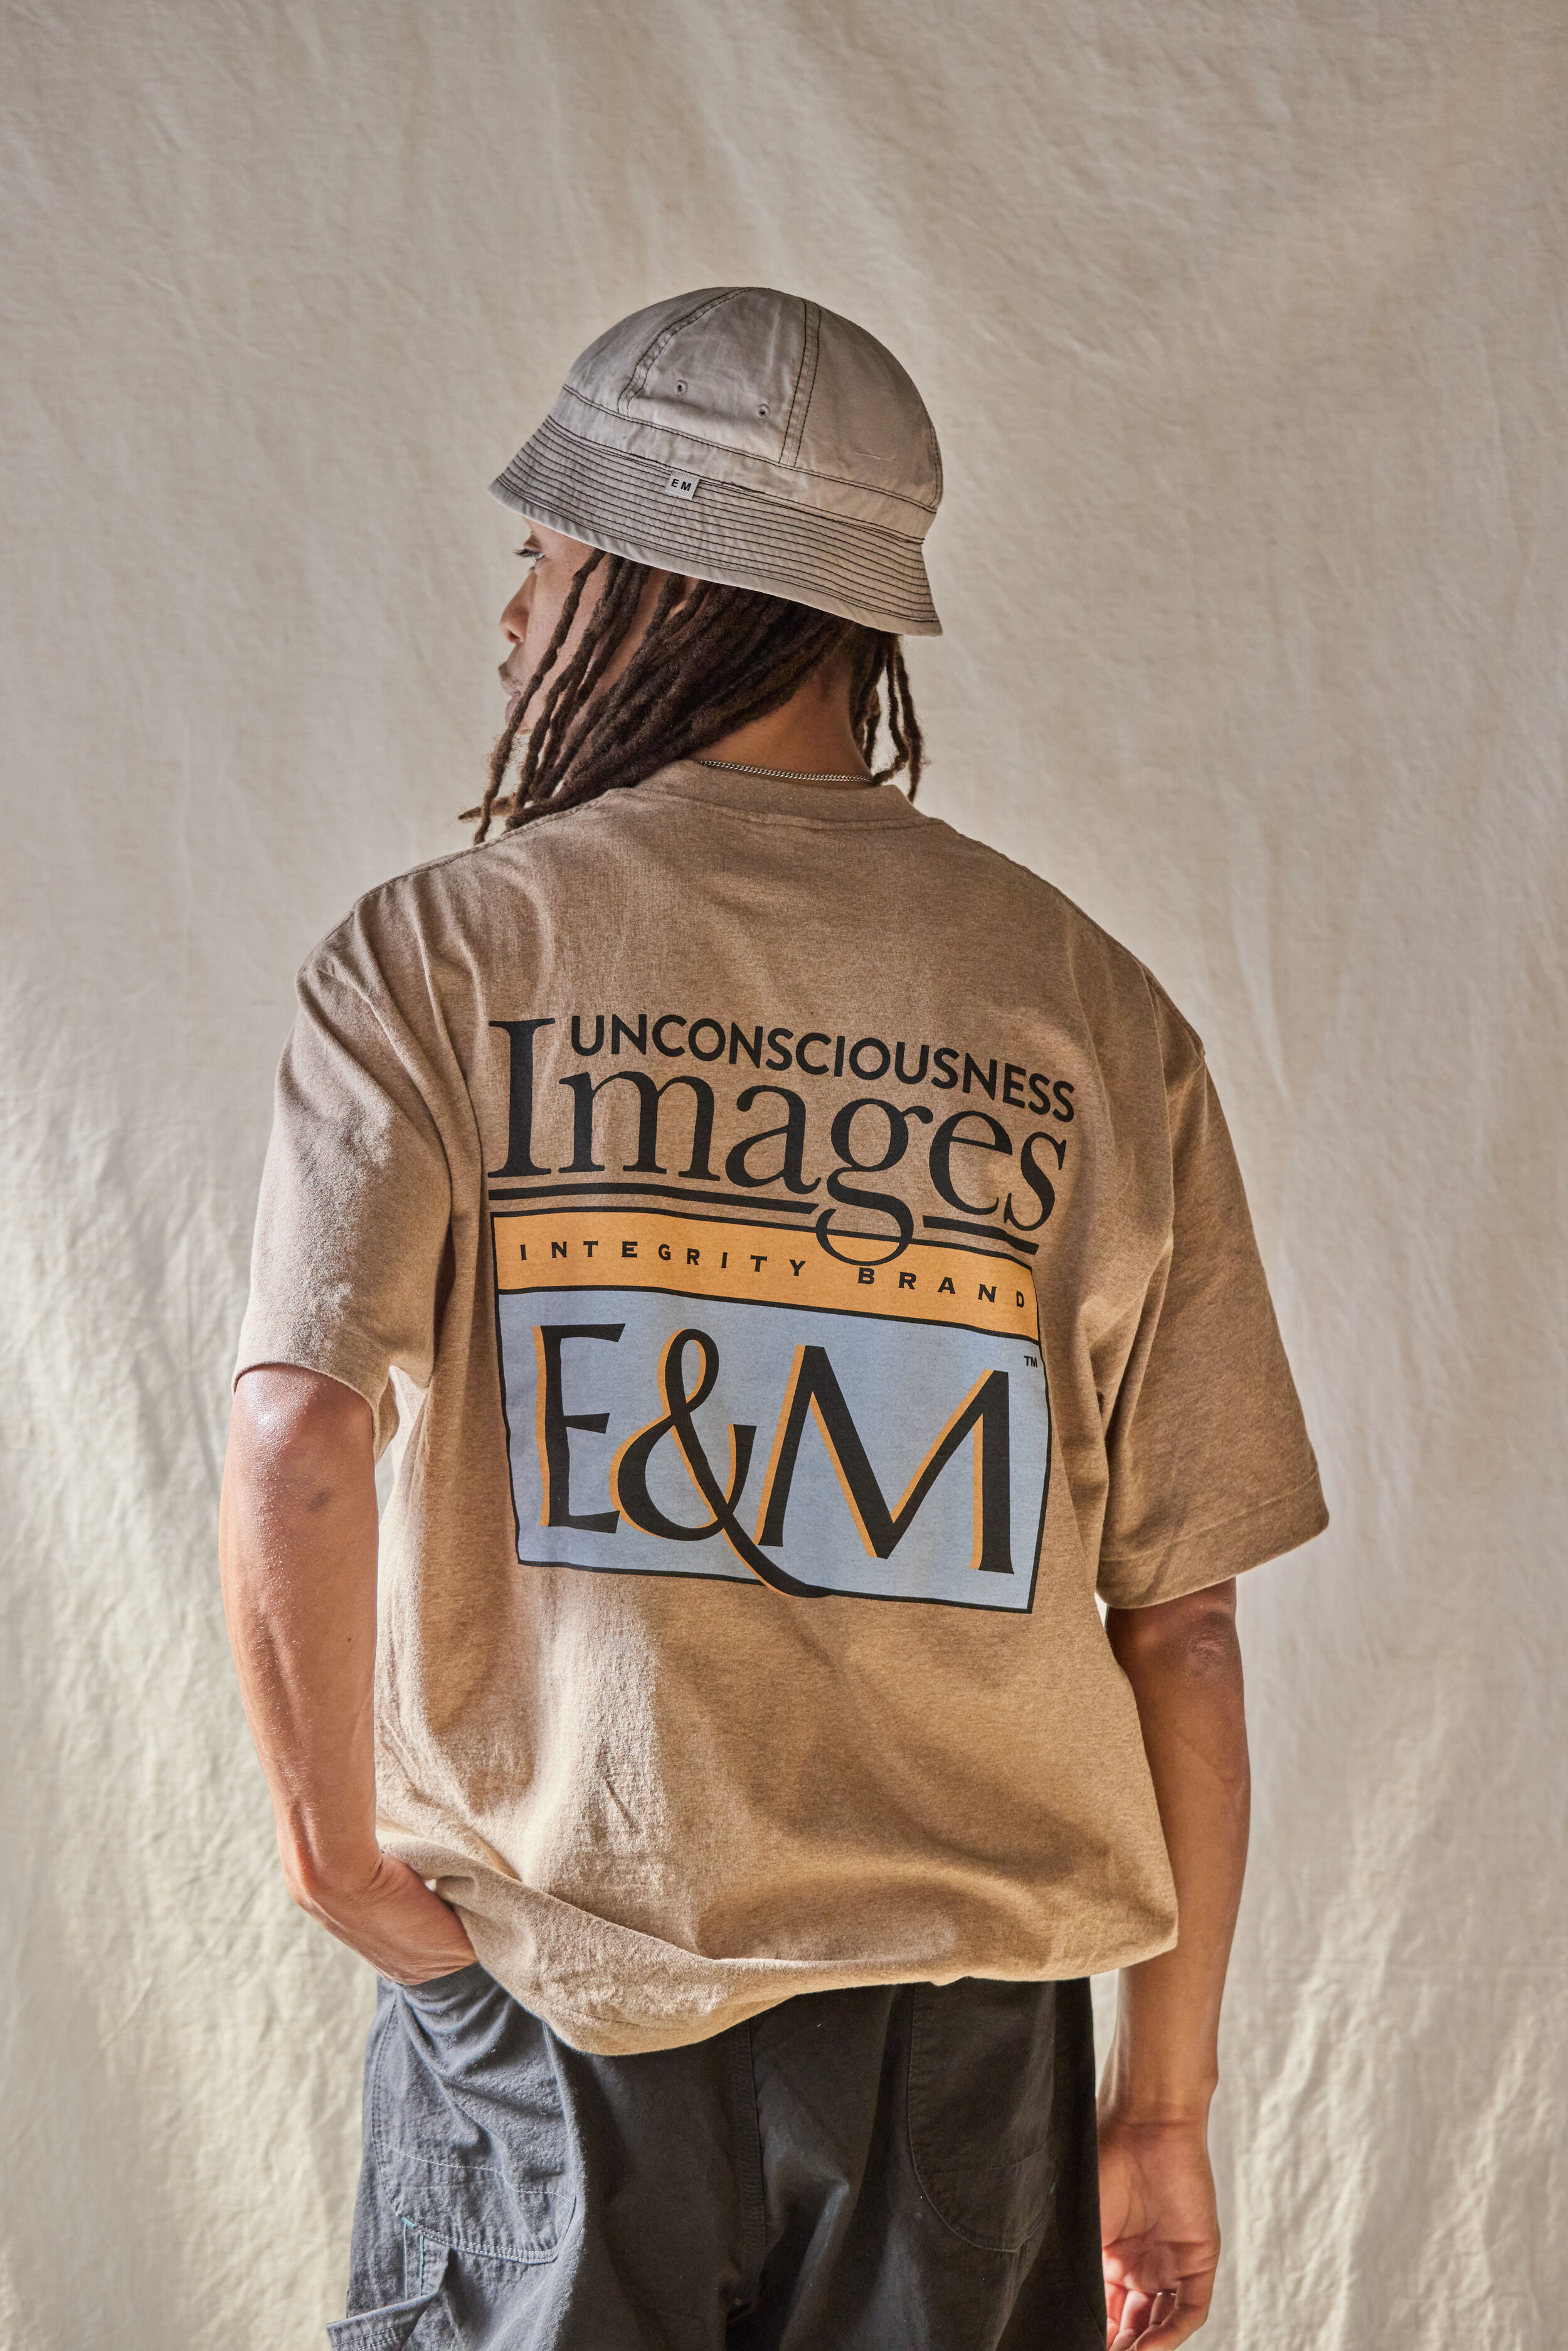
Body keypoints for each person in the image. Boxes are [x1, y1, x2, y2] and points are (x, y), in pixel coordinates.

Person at [220, 285, 1327, 2351]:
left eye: (547, 552)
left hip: (557, 1998)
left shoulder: (441, 958)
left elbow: (298, 1430)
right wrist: (1159, 2108)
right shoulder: (1090, 1008)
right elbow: (1181, 1622)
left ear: (659, 577)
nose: (514, 611)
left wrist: (331, 1860)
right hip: (965, 2046)